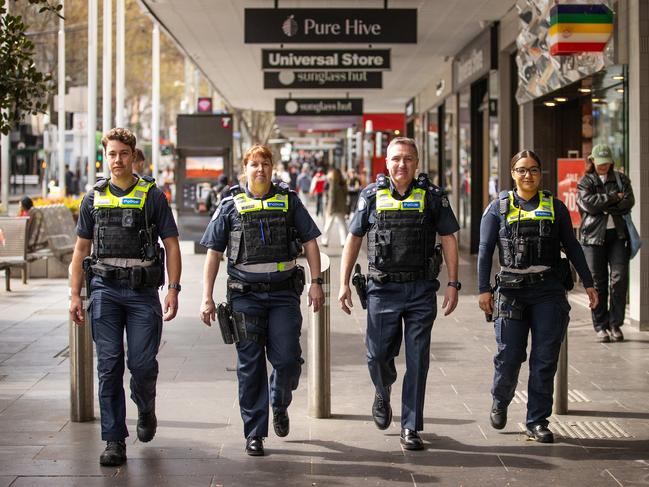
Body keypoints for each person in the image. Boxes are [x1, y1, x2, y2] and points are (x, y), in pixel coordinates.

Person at [199, 144, 325, 457]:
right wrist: (206, 297)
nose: (260, 170)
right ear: (246, 169)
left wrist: (316, 283)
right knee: (250, 365)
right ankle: (254, 433)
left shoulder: (288, 200)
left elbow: (310, 241)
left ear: (272, 168)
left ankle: (279, 401)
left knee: (287, 360)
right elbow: (213, 253)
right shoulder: (230, 203)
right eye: (254, 164)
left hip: (283, 294)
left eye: (265, 164)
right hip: (245, 296)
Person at [68, 128, 182, 467]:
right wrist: (74, 294)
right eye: (112, 154)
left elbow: (172, 244)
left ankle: (145, 407)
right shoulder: (93, 197)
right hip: (104, 290)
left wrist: (173, 288)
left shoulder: (153, 196)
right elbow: (81, 249)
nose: (117, 160)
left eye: (123, 154)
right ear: (106, 156)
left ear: (133, 156)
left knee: (142, 365)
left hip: (142, 292)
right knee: (109, 366)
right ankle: (114, 440)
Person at [338, 137, 460, 451]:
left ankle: (410, 426)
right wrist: (342, 283)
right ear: (387, 162)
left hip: (420, 289)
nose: (401, 164)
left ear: (416, 163)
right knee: (378, 355)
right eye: (395, 159)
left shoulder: (432, 197)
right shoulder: (371, 195)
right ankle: (382, 390)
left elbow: (448, 237)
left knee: (418, 360)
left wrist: (453, 283)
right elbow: (353, 238)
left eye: (407, 158)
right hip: (382, 288)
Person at [477, 149, 598, 444]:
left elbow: (572, 246)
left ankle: (537, 420)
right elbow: (484, 250)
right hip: (511, 292)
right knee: (509, 356)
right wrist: (483, 290)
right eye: (521, 170)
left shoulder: (554, 207)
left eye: (533, 169)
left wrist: (590, 283)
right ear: (512, 174)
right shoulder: (498, 208)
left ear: (540, 173)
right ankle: (500, 399)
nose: (527, 175)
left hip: (548, 292)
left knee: (545, 360)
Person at [577, 144, 635, 343]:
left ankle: (615, 324)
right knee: (597, 283)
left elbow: (628, 202)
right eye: (599, 163)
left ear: (611, 162)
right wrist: (612, 198)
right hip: (593, 238)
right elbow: (589, 206)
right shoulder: (585, 181)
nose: (603, 166)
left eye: (606, 163)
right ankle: (600, 326)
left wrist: (603, 204)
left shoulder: (621, 179)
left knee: (619, 280)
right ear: (592, 161)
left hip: (618, 236)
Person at [321, 167, 348, 247]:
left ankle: (325, 241)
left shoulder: (332, 182)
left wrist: (330, 209)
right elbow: (346, 195)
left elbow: (331, 196)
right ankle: (344, 242)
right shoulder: (343, 183)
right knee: (342, 225)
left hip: (332, 207)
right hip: (341, 208)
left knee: (328, 225)